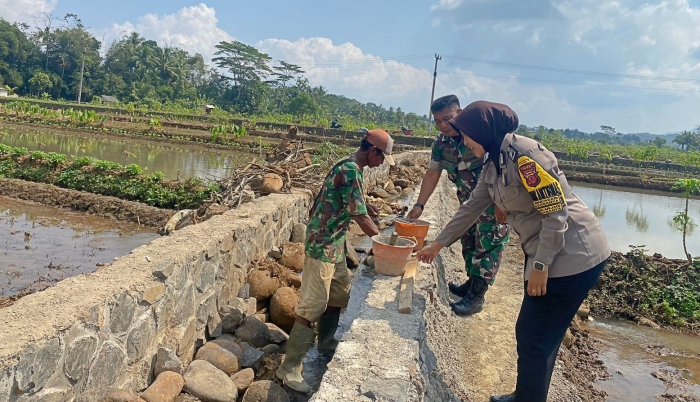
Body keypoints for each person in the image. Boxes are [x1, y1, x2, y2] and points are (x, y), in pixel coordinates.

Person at [416, 101, 611, 402]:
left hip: (572, 255)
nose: (464, 142)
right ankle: (527, 395)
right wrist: (437, 244)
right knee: (539, 338)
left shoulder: (525, 156)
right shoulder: (495, 160)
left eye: (467, 135)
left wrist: (541, 266)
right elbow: (472, 207)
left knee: (533, 338)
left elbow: (556, 214)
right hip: (549, 251)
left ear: (482, 131)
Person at [276, 129, 396, 393]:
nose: (382, 163)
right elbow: (361, 218)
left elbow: (352, 204)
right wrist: (383, 244)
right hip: (322, 244)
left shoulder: (353, 166)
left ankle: (327, 344)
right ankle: (289, 367)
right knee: (313, 306)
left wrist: (367, 207)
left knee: (339, 292)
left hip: (336, 242)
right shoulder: (351, 169)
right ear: (373, 151)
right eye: (382, 158)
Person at [407, 95, 509, 316]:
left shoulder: (480, 136)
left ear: (460, 113)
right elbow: (433, 172)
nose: (443, 125)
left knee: (488, 244)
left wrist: (503, 202)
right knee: (469, 242)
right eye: (438, 121)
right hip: (467, 204)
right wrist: (419, 204)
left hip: (491, 204)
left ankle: (477, 296)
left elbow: (504, 169)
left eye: (447, 119)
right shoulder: (441, 145)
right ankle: (471, 283)